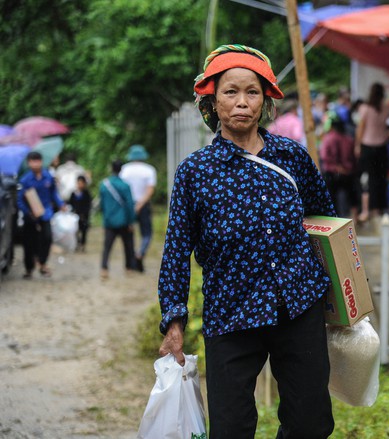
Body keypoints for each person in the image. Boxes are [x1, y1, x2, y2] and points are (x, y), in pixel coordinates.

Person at [157, 44, 336, 439]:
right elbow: (175, 251)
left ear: (265, 100)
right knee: (231, 427)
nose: (242, 103)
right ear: (212, 100)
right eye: (230, 92)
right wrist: (173, 319)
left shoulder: (292, 157)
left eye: (252, 92)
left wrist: (346, 295)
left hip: (298, 304)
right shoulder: (195, 173)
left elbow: (326, 224)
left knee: (311, 423)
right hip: (231, 310)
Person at [354, 82, 389, 222]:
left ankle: (368, 209)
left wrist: (357, 145)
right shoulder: (387, 108)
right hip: (381, 147)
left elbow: (361, 128)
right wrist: (388, 132)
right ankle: (379, 208)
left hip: (367, 146)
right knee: (381, 178)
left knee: (369, 179)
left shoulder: (365, 108)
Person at [16, 151, 65, 278]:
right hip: (30, 216)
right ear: (29, 163)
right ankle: (29, 269)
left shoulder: (48, 176)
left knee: (47, 238)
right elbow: (20, 199)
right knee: (29, 243)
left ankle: (42, 263)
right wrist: (28, 212)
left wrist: (60, 204)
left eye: (38, 161)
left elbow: (54, 193)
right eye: (33, 161)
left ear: (42, 162)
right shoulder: (25, 180)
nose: (36, 164)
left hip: (45, 213)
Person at [119, 144, 156, 272]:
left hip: (128, 205)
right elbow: (150, 190)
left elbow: (121, 189)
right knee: (147, 233)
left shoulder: (124, 170)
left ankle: (130, 262)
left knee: (128, 233)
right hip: (144, 204)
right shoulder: (149, 170)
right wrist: (140, 204)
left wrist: (131, 206)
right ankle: (140, 253)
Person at [99, 159, 136, 279]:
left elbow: (102, 206)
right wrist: (131, 221)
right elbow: (130, 205)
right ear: (121, 169)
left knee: (107, 246)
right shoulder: (125, 186)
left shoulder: (104, 185)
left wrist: (105, 220)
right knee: (128, 245)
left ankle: (104, 268)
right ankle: (129, 268)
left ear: (111, 168)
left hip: (109, 221)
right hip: (124, 221)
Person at [320, 115, 360, 224]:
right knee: (353, 196)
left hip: (331, 173)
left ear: (332, 127)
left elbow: (324, 156)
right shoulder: (349, 140)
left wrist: (336, 167)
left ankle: (334, 220)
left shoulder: (328, 138)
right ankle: (355, 219)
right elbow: (354, 158)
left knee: (331, 198)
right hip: (348, 173)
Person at [68, 175, 92, 252]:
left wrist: (84, 213)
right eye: (78, 183)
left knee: (84, 231)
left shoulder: (86, 193)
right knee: (75, 231)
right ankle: (77, 243)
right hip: (75, 216)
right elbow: (70, 204)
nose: (80, 185)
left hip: (84, 216)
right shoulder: (73, 193)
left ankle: (83, 244)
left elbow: (88, 205)